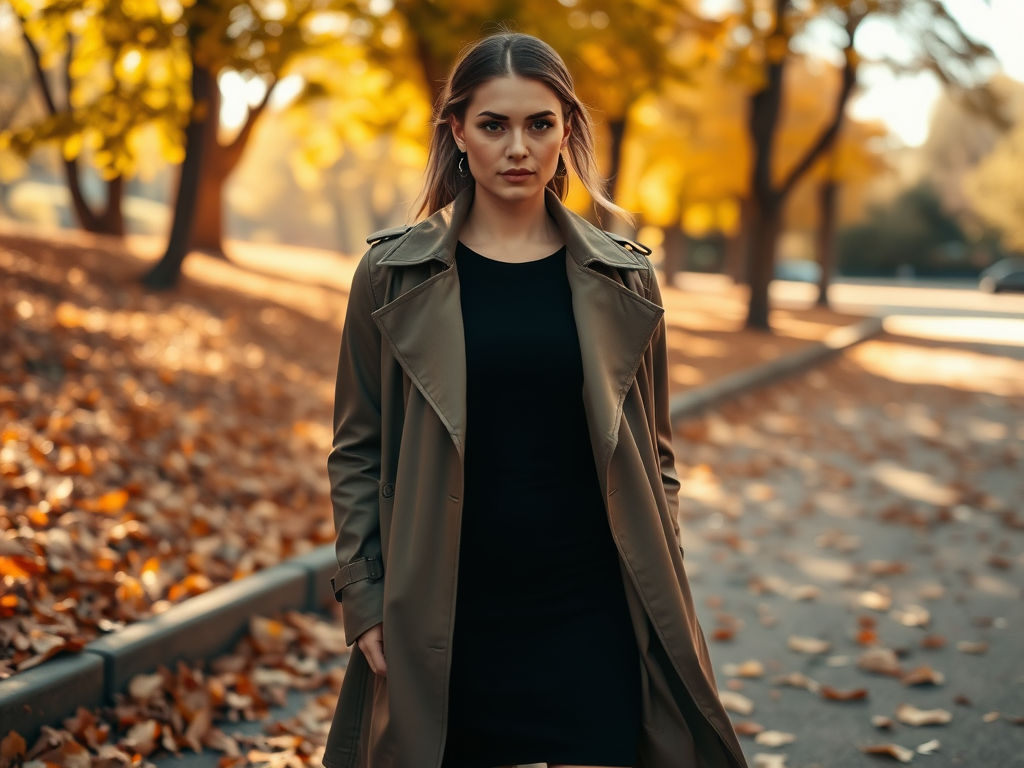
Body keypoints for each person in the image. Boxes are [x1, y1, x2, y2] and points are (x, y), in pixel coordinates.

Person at [323, 31, 748, 768]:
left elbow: (658, 453)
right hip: (448, 613)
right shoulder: (390, 276)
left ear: (566, 132)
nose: (518, 147)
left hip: (594, 610)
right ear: (457, 131)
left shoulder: (627, 277)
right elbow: (357, 451)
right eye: (494, 125)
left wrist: (662, 569)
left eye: (539, 124)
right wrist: (364, 599)